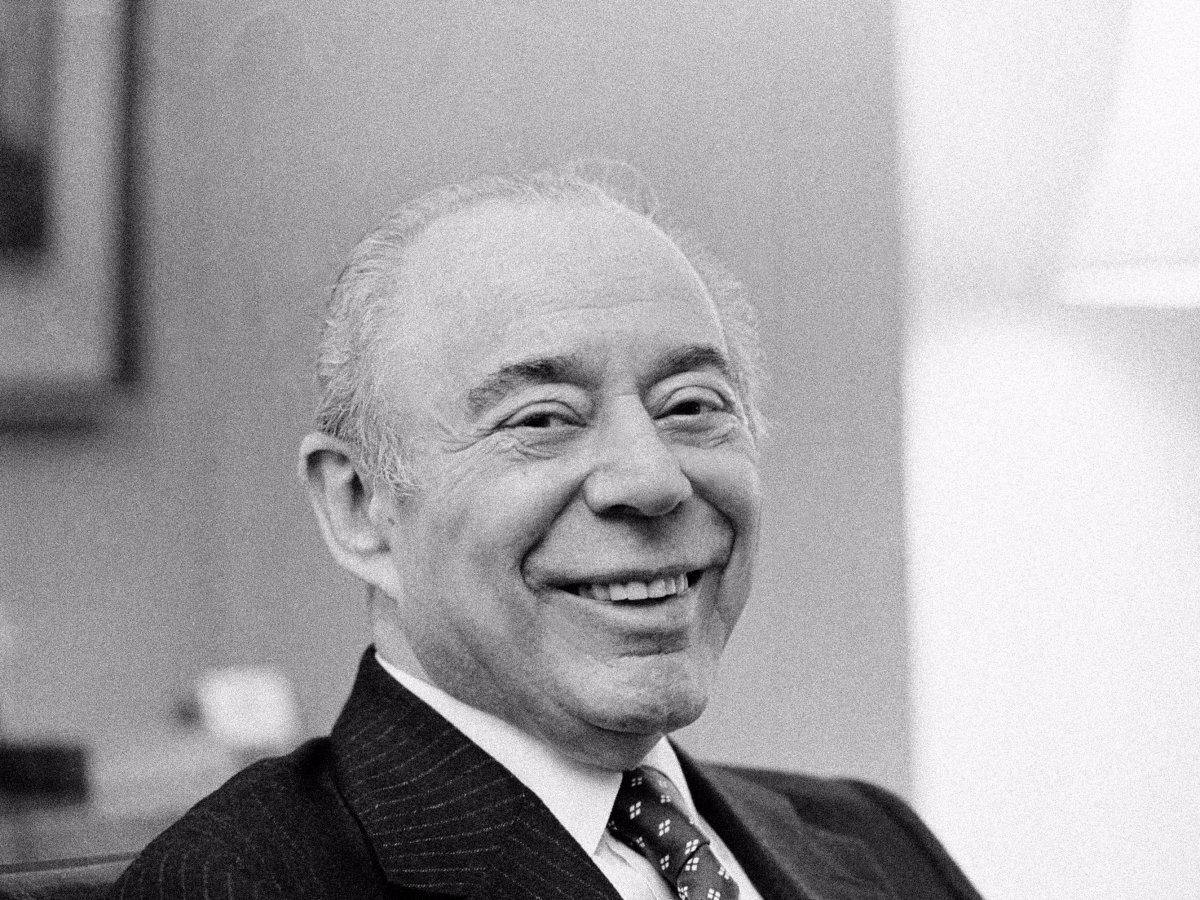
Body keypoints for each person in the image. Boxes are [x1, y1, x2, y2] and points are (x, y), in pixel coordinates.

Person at [111, 167, 981, 899]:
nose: (651, 480)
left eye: (692, 406)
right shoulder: (238, 883)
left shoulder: (880, 846)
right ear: (359, 506)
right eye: (543, 419)